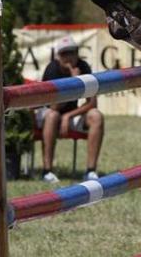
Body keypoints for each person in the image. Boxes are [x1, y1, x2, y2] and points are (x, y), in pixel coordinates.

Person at [36, 36, 105, 182]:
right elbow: (53, 106)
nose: (68, 58)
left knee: (96, 116)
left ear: (77, 53)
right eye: (64, 54)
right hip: (48, 112)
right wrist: (73, 82)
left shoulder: (83, 67)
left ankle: (90, 171)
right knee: (53, 116)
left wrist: (68, 116)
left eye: (71, 53)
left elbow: (92, 103)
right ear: (58, 56)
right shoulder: (52, 69)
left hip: (70, 115)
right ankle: (47, 171)